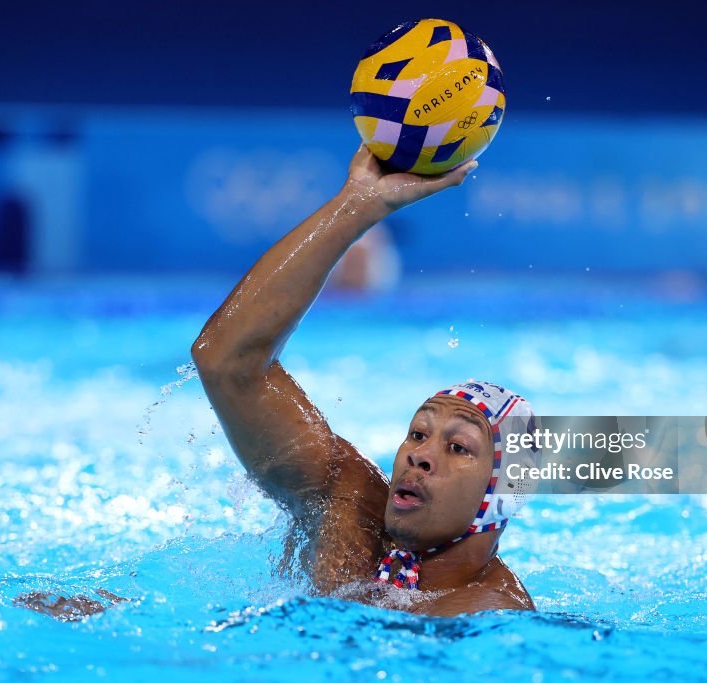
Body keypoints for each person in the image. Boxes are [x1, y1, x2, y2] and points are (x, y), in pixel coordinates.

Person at [190, 145, 536, 617]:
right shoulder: (348, 500)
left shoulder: (492, 618)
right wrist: (360, 204)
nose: (420, 455)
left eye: (457, 448)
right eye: (418, 433)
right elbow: (227, 362)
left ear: (500, 495)